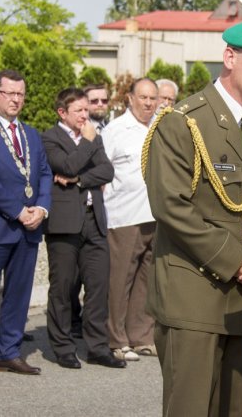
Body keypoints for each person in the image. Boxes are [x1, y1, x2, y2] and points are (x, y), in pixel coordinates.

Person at [143, 19, 242, 416]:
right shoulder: (184, 120)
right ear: (229, 57)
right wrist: (234, 259)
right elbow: (170, 204)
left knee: (237, 408)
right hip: (193, 296)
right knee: (190, 408)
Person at [0, 70, 52, 377]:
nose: (16, 100)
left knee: (19, 292)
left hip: (29, 229)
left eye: (20, 94)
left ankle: (10, 351)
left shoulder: (29, 133)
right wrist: (17, 210)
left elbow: (44, 173)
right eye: (10, 93)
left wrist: (41, 207)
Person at [42, 88, 126, 369]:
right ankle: (63, 346)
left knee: (98, 287)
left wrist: (77, 179)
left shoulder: (93, 137)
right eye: (78, 110)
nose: (84, 115)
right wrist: (86, 147)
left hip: (94, 220)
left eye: (85, 109)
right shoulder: (50, 138)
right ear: (62, 113)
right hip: (64, 223)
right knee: (63, 287)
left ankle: (98, 347)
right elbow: (65, 164)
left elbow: (107, 171)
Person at [102, 78, 158, 362]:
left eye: (153, 98)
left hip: (155, 214)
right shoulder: (116, 130)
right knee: (120, 280)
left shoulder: (159, 127)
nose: (149, 103)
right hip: (124, 216)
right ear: (130, 99)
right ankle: (116, 338)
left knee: (146, 280)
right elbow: (101, 170)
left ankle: (141, 336)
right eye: (144, 97)